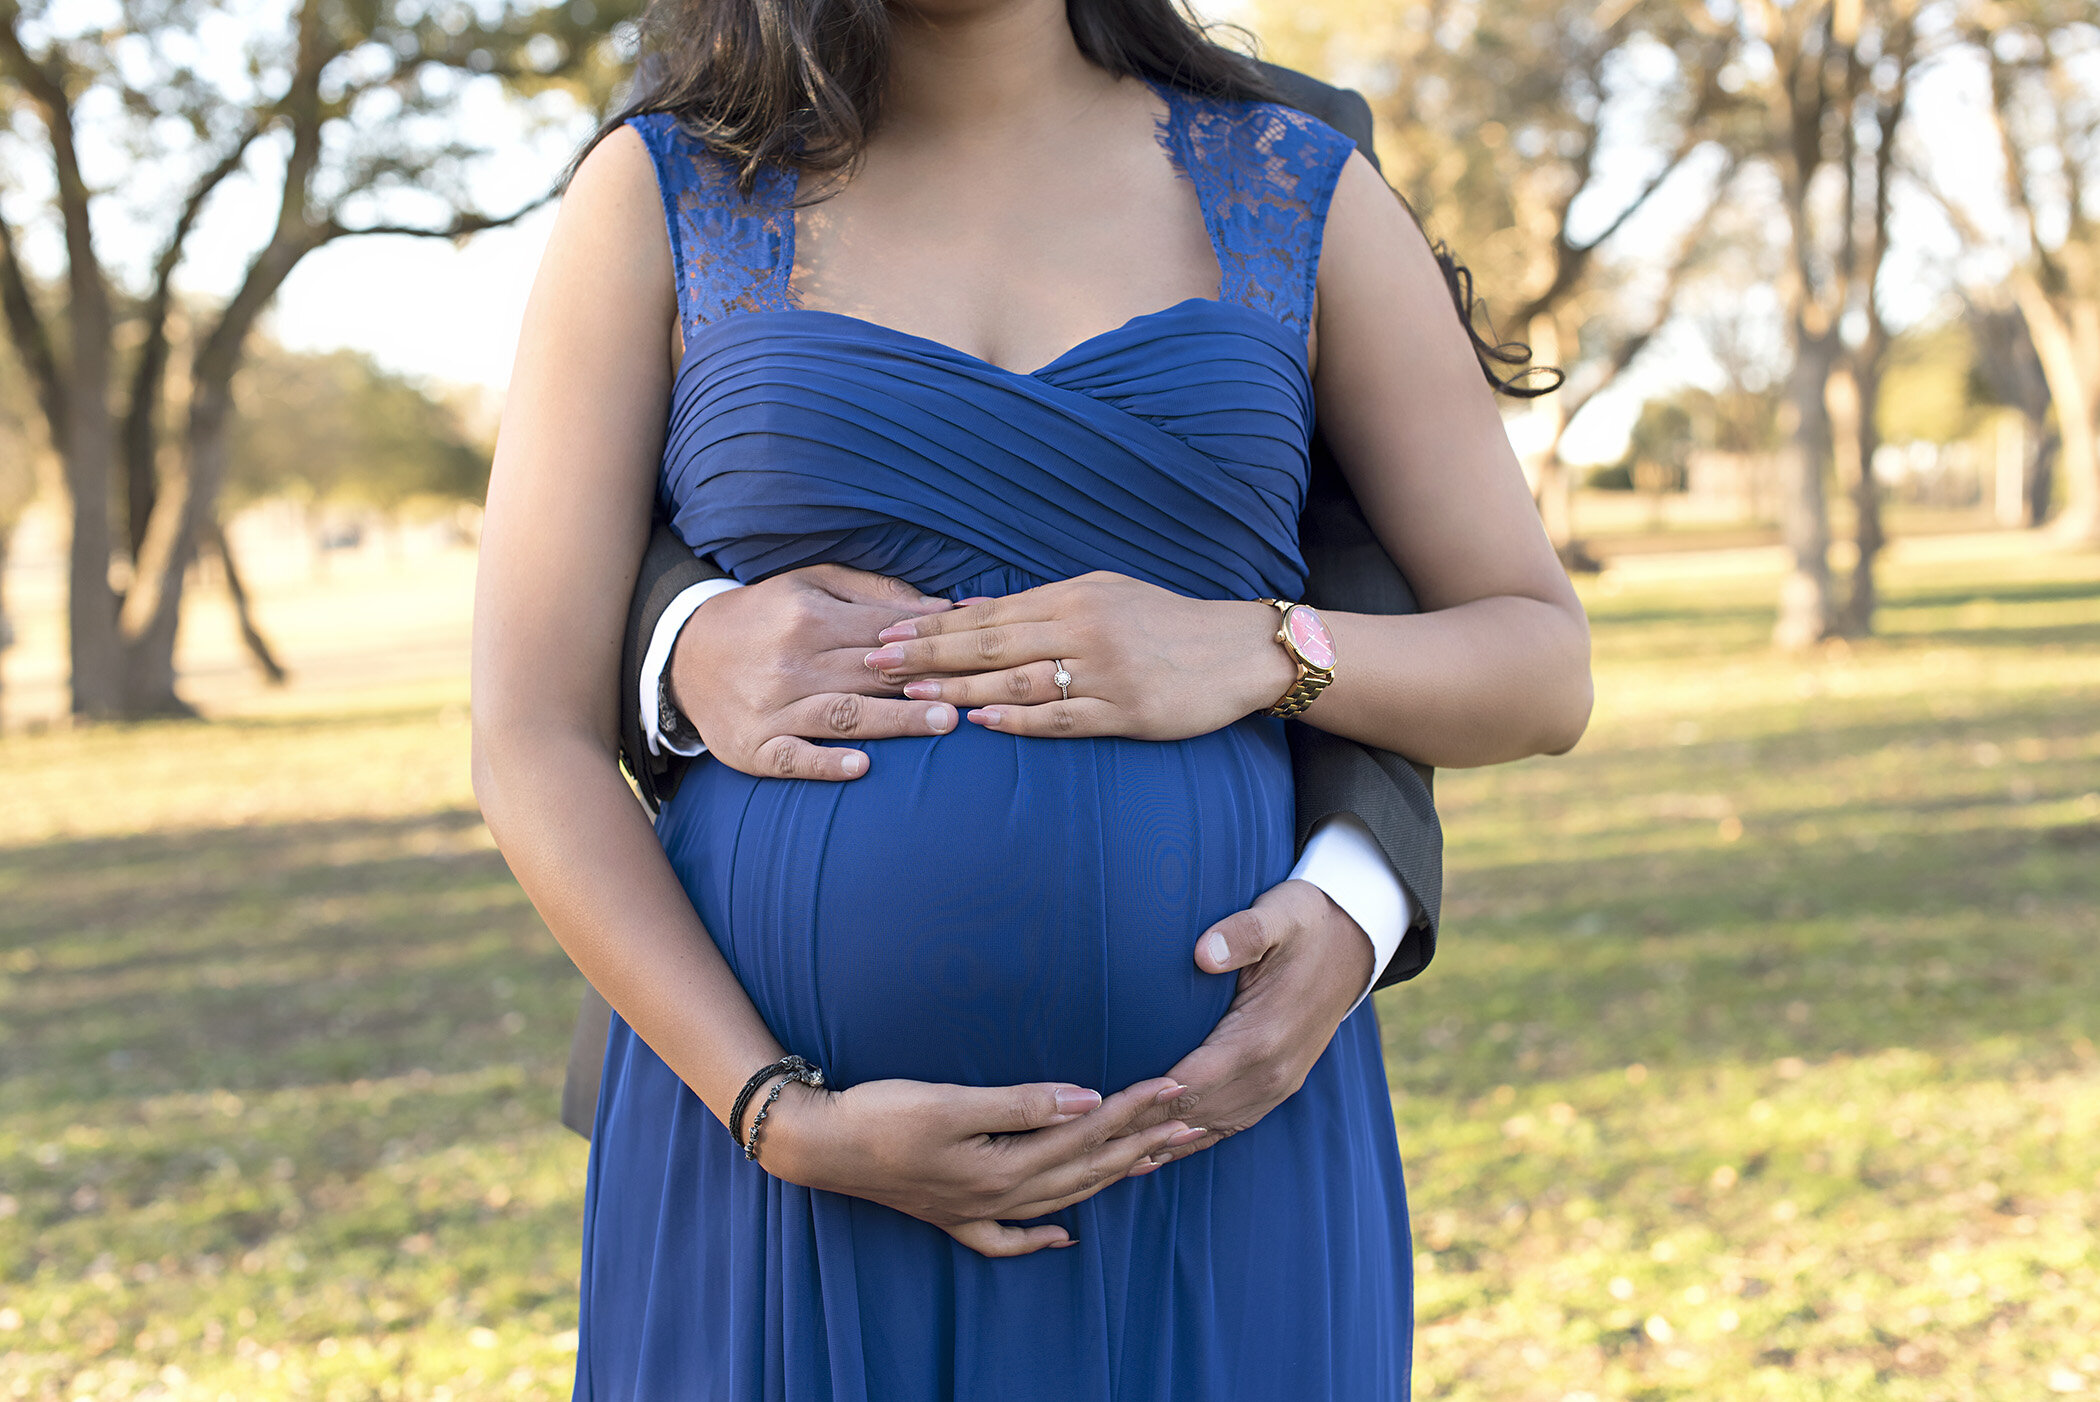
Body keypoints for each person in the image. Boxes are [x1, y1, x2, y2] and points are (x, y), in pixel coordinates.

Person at [471, 0, 1593, 1397]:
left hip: (1214, 1163)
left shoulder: (1297, 183)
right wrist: (777, 1114)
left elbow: (1541, 662)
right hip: (775, 1166)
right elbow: (530, 728)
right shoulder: (666, 188)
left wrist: (1257, 646)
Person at [556, 57, 1449, 1148]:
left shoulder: (1290, 165)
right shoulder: (669, 162)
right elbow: (539, 657)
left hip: (1220, 1125)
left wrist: (1353, 874)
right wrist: (679, 638)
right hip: (757, 1127)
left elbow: (1408, 579)